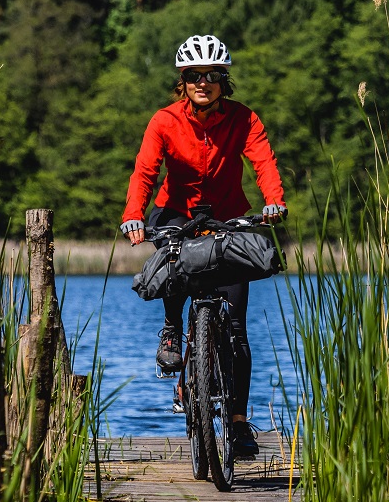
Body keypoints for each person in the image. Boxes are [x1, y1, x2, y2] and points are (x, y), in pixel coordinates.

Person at [120, 34, 287, 457]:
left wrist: (274, 202)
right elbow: (145, 171)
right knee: (174, 258)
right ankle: (174, 330)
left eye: (212, 75)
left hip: (228, 218)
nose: (203, 82)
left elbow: (263, 161)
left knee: (235, 327)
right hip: (177, 213)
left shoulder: (244, 119)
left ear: (223, 80)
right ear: (184, 80)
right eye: (195, 75)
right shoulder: (164, 121)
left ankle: (237, 421)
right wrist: (133, 213)